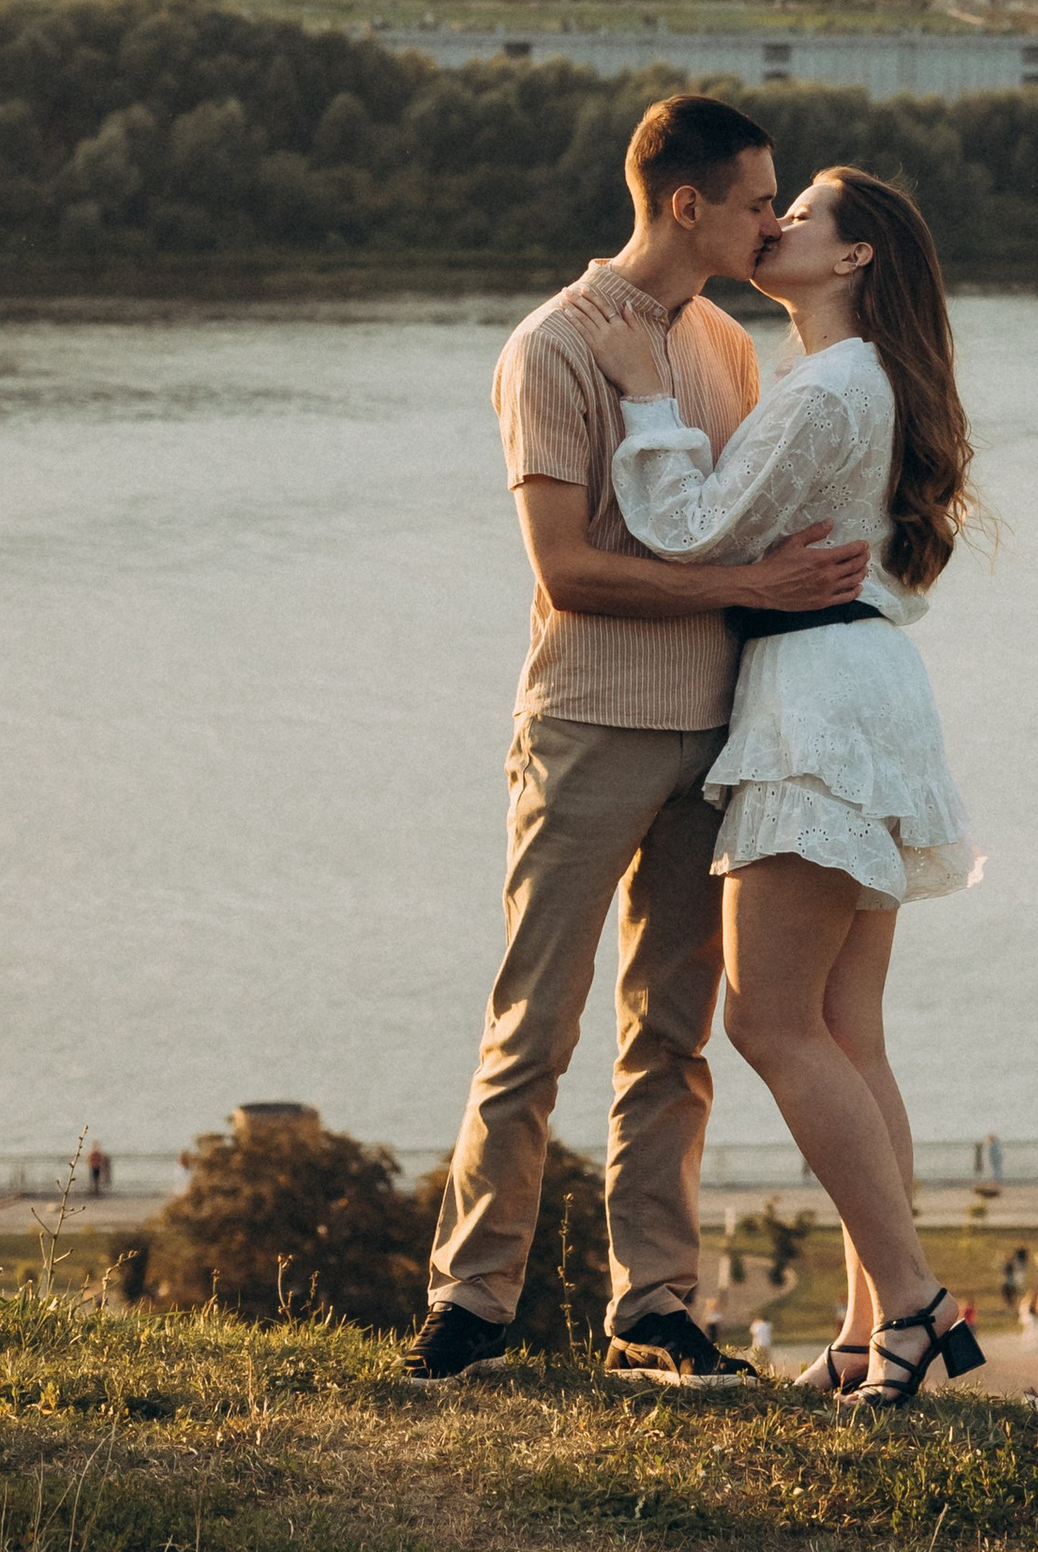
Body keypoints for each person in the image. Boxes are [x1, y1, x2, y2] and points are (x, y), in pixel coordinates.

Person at [404, 96, 871, 1385]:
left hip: (717, 734)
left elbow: (722, 524)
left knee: (673, 1034)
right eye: (756, 200)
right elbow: (568, 570)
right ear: (687, 205)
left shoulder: (726, 345)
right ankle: (472, 1306)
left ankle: (652, 1308)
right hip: (589, 725)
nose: (773, 221)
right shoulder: (550, 348)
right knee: (532, 1028)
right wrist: (750, 590)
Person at [578, 164, 980, 1406]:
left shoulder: (826, 388)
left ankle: (911, 1305)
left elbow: (690, 533)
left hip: (812, 696)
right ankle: (869, 1335)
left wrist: (648, 399)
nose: (776, 222)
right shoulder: (867, 384)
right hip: (867, 686)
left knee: (767, 1020)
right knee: (846, 1030)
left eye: (800, 213)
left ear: (854, 259)